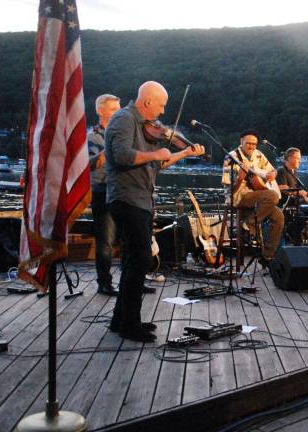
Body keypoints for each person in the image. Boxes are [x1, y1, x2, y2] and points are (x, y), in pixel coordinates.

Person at [105, 81, 205, 342]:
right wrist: (156, 153)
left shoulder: (146, 129)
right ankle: (130, 325)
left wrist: (181, 153)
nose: (162, 113)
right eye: (160, 105)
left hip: (141, 200)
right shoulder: (123, 119)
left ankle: (121, 320)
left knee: (132, 262)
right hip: (127, 199)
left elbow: (157, 165)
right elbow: (122, 156)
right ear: (147, 102)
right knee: (139, 262)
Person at [222, 130, 284, 263]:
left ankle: (268, 255)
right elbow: (230, 189)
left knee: (279, 217)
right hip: (238, 196)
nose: (251, 146)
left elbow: (272, 170)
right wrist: (239, 180)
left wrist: (274, 174)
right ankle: (249, 224)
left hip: (257, 195)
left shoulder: (258, 154)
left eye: (254, 144)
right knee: (273, 196)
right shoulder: (231, 158)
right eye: (248, 143)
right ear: (241, 142)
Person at [87, 94, 121, 296]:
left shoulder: (124, 134)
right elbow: (91, 164)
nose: (118, 113)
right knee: (105, 241)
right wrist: (112, 143)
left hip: (122, 192)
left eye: (119, 109)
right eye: (113, 110)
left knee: (129, 240)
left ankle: (132, 280)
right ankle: (104, 283)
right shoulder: (92, 137)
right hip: (102, 192)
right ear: (101, 111)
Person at [277, 147, 308, 245]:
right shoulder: (282, 171)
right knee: (301, 217)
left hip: (294, 204)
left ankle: (298, 240)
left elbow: (295, 189)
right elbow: (282, 188)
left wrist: (304, 196)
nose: (299, 161)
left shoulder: (294, 172)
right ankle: (293, 241)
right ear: (290, 158)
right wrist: (298, 193)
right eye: (297, 158)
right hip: (284, 205)